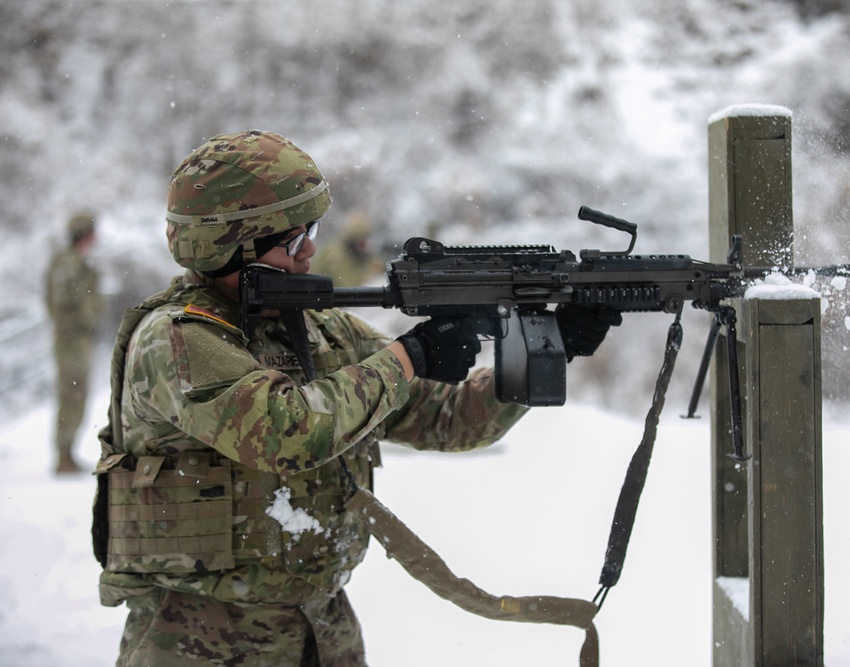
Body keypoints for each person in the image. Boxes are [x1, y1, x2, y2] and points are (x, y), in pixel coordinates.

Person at [92, 130, 617, 666]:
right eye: (293, 240)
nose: (312, 250)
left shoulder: (323, 332)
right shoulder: (177, 338)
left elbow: (448, 420)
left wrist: (539, 356)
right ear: (232, 247)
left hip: (324, 629)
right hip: (199, 638)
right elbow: (286, 432)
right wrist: (409, 356)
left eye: (311, 232)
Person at [45, 211, 103, 474]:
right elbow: (61, 300)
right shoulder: (69, 264)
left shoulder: (77, 262)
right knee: (71, 394)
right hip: (71, 340)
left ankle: (67, 454)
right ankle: (63, 456)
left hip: (78, 339)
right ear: (85, 235)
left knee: (77, 394)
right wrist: (82, 318)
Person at [310, 208, 384, 287]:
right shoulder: (331, 256)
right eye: (359, 238)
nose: (362, 243)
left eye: (364, 238)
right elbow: (313, 277)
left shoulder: (372, 262)